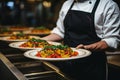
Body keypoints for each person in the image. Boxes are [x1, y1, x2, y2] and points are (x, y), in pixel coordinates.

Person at [41, 0, 120, 80]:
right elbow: (60, 32)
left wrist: (88, 48)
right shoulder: (67, 3)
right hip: (67, 63)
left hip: (92, 66)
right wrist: (37, 42)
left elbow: (112, 40)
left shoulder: (108, 5)